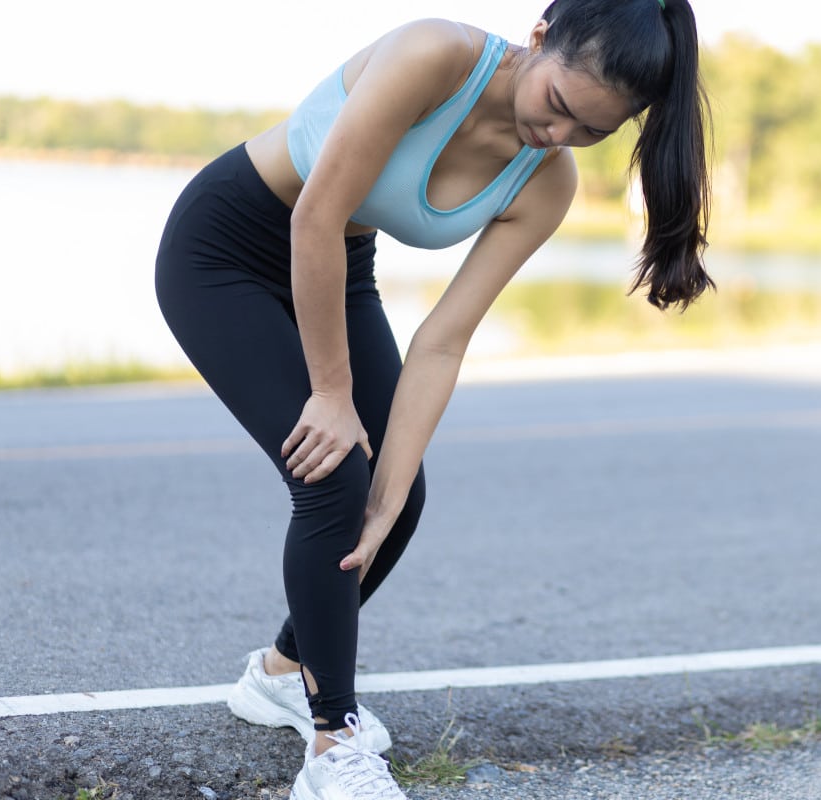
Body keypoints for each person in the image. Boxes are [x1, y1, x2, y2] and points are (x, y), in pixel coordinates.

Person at [155, 1, 712, 798]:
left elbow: (442, 341)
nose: (559, 137)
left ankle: (282, 671)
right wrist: (331, 392)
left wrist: (388, 482)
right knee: (335, 474)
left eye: (591, 131)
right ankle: (331, 742)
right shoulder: (433, 54)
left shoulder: (545, 183)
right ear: (539, 37)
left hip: (338, 272)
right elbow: (314, 213)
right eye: (558, 106)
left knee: (395, 496)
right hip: (228, 248)